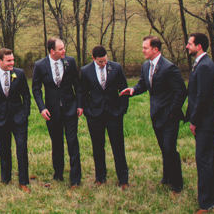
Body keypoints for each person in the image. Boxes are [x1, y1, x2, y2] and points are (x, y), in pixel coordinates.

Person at [120, 36, 186, 195]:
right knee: (164, 148)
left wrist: (171, 112)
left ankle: (177, 185)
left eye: (145, 48)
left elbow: (182, 92)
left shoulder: (169, 68)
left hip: (170, 116)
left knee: (170, 149)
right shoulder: (145, 66)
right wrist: (133, 90)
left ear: (155, 49)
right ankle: (167, 178)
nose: (142, 50)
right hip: (156, 115)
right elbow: (143, 84)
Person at [31, 37, 82, 188]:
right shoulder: (40, 65)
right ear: (52, 51)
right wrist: (42, 108)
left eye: (64, 48)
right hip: (52, 111)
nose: (64, 51)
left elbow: (77, 84)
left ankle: (75, 179)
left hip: (70, 108)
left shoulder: (70, 62)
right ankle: (58, 173)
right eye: (61, 49)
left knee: (73, 142)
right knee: (57, 142)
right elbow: (36, 89)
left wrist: (79, 105)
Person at [79, 45, 129, 189]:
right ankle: (100, 177)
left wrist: (122, 110)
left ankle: (123, 179)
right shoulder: (85, 71)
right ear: (93, 59)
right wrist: (88, 110)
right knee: (98, 147)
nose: (104, 63)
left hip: (114, 114)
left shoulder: (117, 68)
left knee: (118, 147)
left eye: (105, 60)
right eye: (100, 61)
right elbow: (83, 92)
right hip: (95, 115)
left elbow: (124, 89)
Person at [0, 48, 32, 192]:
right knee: (4, 150)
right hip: (0, 119)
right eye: (8, 60)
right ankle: (6, 178)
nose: (12, 63)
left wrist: (25, 113)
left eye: (13, 60)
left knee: (22, 149)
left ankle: (23, 181)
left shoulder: (19, 74)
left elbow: (26, 95)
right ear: (0, 61)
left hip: (19, 118)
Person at [185, 33, 214, 213]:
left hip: (205, 122)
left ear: (199, 46)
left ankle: (206, 205)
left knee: (204, 161)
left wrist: (194, 121)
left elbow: (202, 98)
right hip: (205, 120)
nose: (187, 46)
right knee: (211, 159)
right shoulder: (201, 64)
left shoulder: (205, 66)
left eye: (190, 44)